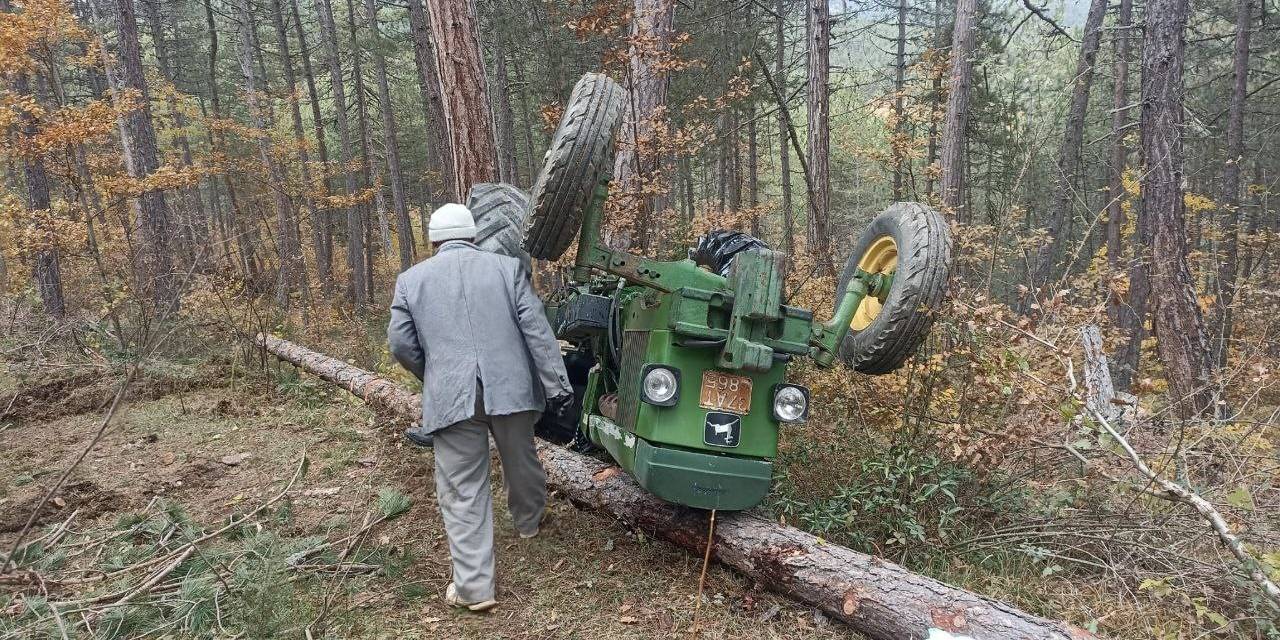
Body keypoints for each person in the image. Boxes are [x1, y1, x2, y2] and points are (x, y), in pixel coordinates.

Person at [387, 203, 573, 611]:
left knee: (462, 486)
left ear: (435, 240)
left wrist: (434, 373)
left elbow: (401, 343)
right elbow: (537, 332)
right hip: (511, 389)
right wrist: (557, 386)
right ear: (473, 234)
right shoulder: (507, 269)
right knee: (521, 458)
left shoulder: (410, 281)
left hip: (453, 397)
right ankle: (528, 523)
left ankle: (474, 590)